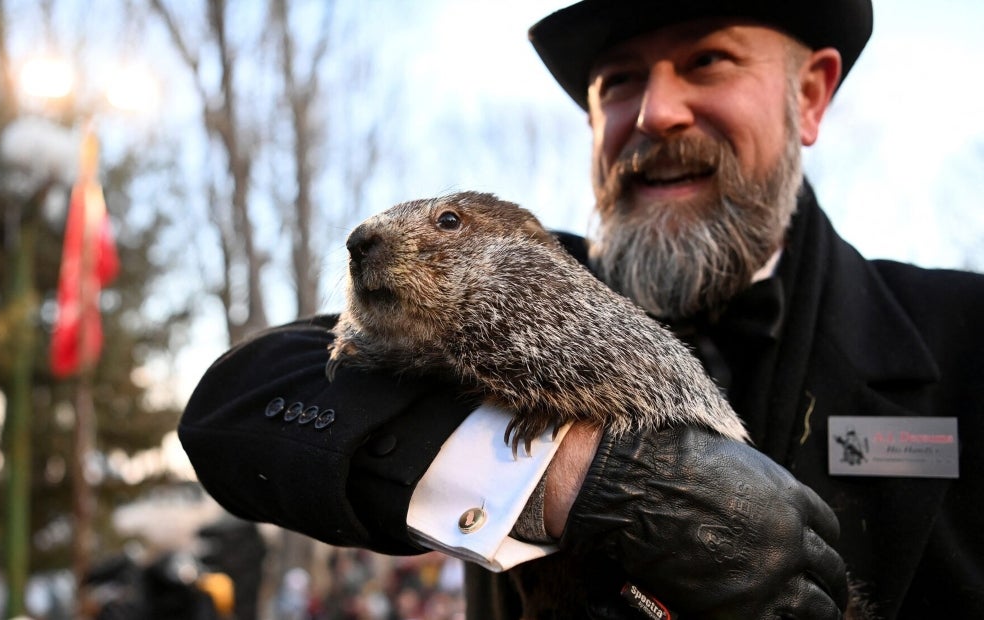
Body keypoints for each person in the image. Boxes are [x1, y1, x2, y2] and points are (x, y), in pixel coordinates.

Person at [178, 1, 984, 618]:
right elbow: (236, 403)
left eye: (708, 61)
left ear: (808, 97)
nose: (656, 112)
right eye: (620, 80)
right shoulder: (526, 270)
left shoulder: (963, 329)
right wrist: (574, 474)